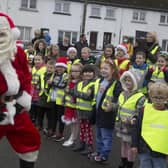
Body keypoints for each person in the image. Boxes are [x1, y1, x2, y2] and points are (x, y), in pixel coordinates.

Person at [0, 12, 40, 168]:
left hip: (16, 106)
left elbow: (26, 77)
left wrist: (23, 99)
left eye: (3, 33)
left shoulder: (18, 53)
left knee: (30, 140)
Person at [89, 59, 122, 163]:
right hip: (99, 113)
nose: (103, 70)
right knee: (98, 135)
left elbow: (118, 100)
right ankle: (99, 152)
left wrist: (111, 106)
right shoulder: (99, 81)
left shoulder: (116, 83)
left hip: (108, 115)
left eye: (106, 68)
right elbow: (96, 96)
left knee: (106, 137)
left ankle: (104, 155)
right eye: (102, 68)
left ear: (112, 70)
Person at [131, 82, 168, 168]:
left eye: (161, 98)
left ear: (167, 98)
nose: (158, 100)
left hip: (161, 152)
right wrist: (134, 145)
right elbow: (137, 128)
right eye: (155, 97)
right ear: (150, 96)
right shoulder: (143, 110)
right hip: (144, 149)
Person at [116, 69, 146, 168]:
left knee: (130, 145)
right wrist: (111, 106)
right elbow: (118, 107)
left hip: (131, 127)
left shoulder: (140, 97)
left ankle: (129, 164)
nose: (127, 83)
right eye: (126, 80)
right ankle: (123, 161)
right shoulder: (122, 93)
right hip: (121, 125)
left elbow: (140, 113)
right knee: (123, 143)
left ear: (136, 82)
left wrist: (132, 119)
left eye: (130, 81)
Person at [72, 64, 96, 155]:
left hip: (88, 111)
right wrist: (79, 93)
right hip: (79, 110)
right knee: (82, 129)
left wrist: (78, 93)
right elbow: (73, 92)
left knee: (88, 130)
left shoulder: (94, 84)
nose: (87, 74)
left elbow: (88, 96)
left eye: (90, 72)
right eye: (86, 72)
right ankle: (82, 144)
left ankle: (89, 146)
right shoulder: (80, 83)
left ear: (93, 74)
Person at [47, 57, 68, 141]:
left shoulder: (66, 76)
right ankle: (53, 131)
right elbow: (50, 85)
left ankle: (61, 133)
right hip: (53, 98)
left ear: (65, 68)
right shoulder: (54, 74)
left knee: (60, 117)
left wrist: (52, 83)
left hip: (61, 100)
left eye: (61, 67)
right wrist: (50, 84)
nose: (59, 69)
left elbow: (63, 86)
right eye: (58, 67)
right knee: (53, 117)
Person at [62, 63, 83, 147]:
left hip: (77, 106)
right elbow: (67, 91)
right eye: (72, 71)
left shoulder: (81, 82)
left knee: (76, 123)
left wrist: (71, 94)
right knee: (72, 122)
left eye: (76, 71)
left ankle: (74, 138)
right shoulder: (69, 80)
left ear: (81, 72)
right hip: (69, 105)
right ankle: (72, 137)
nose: (73, 73)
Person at [37, 60, 56, 136]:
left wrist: (51, 85)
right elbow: (39, 82)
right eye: (48, 67)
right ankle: (39, 125)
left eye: (51, 68)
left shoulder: (54, 76)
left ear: (54, 69)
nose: (49, 69)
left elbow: (55, 86)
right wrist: (38, 86)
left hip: (49, 98)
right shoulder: (42, 75)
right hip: (41, 97)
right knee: (40, 114)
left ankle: (49, 128)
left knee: (50, 116)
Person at [30, 53, 46, 126]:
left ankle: (39, 123)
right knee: (32, 106)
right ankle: (32, 120)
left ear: (43, 60)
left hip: (39, 91)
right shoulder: (33, 68)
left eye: (39, 60)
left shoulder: (44, 69)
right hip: (32, 90)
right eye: (35, 60)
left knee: (39, 108)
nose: (37, 61)